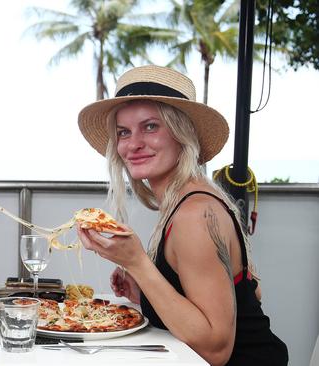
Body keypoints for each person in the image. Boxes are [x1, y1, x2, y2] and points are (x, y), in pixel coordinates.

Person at [76, 65, 288, 366]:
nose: (133, 144)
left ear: (181, 133)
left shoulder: (195, 214)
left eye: (150, 126)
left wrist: (137, 263)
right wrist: (144, 289)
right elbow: (217, 304)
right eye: (123, 132)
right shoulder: (188, 199)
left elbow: (216, 350)